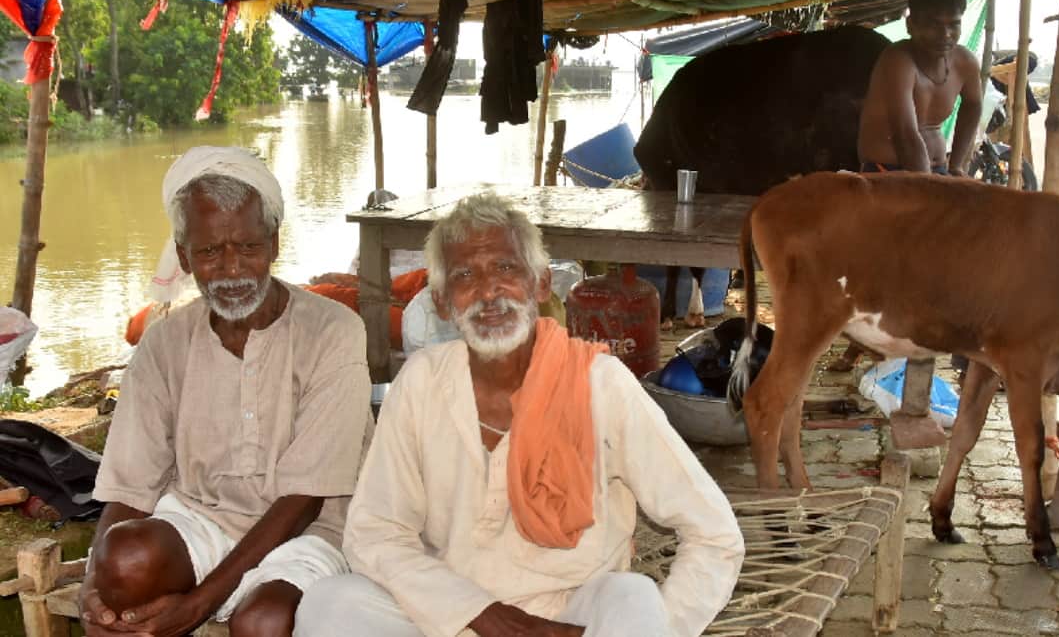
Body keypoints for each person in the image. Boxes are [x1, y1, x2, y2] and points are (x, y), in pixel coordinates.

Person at [294, 192, 745, 637]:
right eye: (465, 274)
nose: (488, 291)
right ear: (443, 301)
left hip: (568, 620)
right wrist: (486, 616)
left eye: (506, 268)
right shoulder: (422, 382)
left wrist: (664, 628)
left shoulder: (600, 383)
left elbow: (715, 535)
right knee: (330, 606)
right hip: (454, 619)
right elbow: (375, 533)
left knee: (632, 598)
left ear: (541, 284)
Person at [81, 146, 373, 637]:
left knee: (262, 620)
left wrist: (197, 605)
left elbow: (305, 499)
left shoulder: (334, 331)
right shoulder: (164, 343)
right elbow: (130, 486)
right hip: (203, 519)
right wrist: (96, 586)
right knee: (124, 561)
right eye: (210, 252)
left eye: (249, 247)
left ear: (275, 243)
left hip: (313, 529)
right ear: (183, 255)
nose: (233, 269)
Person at [857, 0, 983, 176]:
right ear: (910, 25)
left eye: (954, 24)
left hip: (936, 171)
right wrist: (929, 188)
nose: (946, 34)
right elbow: (905, 135)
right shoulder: (898, 60)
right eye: (933, 25)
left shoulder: (965, 62)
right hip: (887, 173)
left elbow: (974, 104)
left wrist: (956, 165)